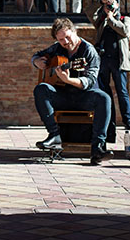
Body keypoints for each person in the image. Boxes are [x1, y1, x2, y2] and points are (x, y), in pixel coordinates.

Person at [31, 18, 112, 165]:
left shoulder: (88, 51)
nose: (65, 42)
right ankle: (54, 136)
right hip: (62, 95)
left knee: (104, 98)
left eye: (68, 37)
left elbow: (89, 81)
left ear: (75, 32)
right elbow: (37, 55)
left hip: (83, 96)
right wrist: (37, 62)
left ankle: (97, 148)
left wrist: (68, 80)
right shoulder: (57, 48)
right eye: (61, 40)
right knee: (41, 89)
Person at [88, 0, 130, 131]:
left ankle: (128, 120)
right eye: (107, 6)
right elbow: (89, 12)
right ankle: (110, 120)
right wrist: (101, 3)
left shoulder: (125, 20)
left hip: (118, 61)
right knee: (105, 92)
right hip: (104, 60)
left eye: (111, 6)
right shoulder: (101, 21)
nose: (109, 9)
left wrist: (111, 18)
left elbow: (125, 31)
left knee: (122, 92)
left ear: (117, 6)